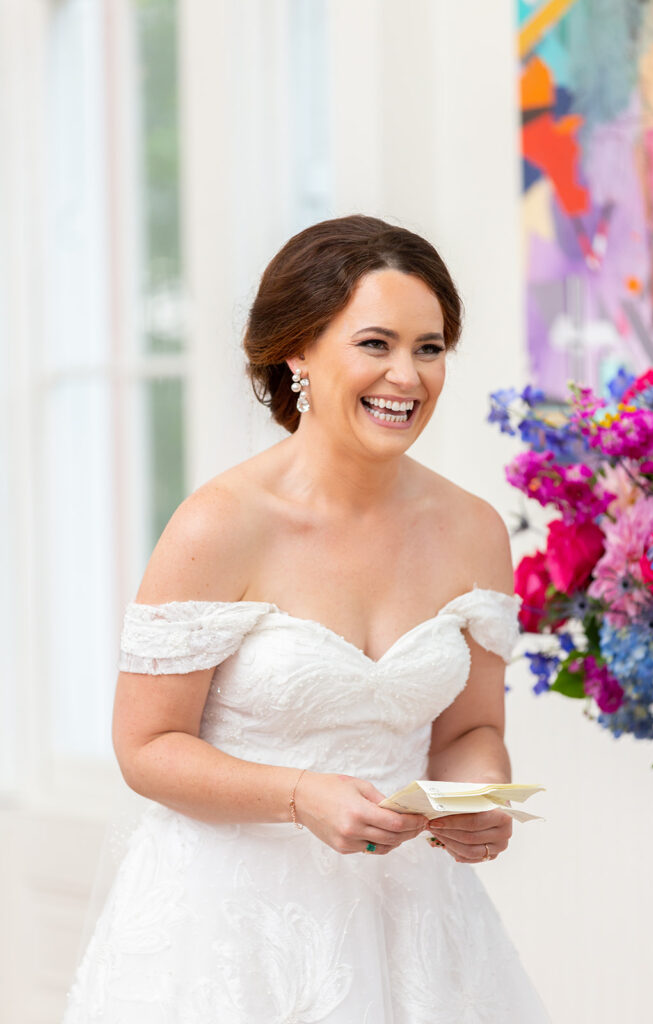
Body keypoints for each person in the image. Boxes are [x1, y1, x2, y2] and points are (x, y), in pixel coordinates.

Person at [62, 214, 551, 1022]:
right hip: (229, 936)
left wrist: (479, 800)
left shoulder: (472, 529)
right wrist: (297, 795)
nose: (408, 376)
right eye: (375, 344)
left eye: (429, 348)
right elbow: (146, 747)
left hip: (415, 932)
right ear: (298, 351)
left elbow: (468, 732)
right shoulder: (219, 525)